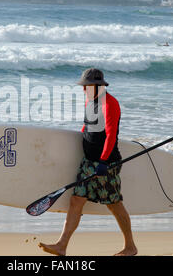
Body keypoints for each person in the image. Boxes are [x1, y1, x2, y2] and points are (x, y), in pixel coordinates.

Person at [39, 68, 137, 256]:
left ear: (98, 86)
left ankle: (130, 247)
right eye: (83, 86)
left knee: (114, 204)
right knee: (76, 200)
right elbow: (88, 126)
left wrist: (103, 161)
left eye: (87, 86)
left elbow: (111, 136)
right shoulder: (90, 101)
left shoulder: (110, 104)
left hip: (106, 164)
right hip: (88, 162)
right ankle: (62, 245)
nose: (83, 90)